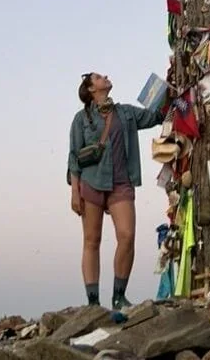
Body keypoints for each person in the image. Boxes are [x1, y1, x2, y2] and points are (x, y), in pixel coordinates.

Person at [67, 72, 164, 309]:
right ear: (91, 89)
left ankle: (119, 296)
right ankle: (93, 303)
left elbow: (156, 116)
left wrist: (167, 91)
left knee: (127, 236)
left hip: (122, 182)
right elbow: (74, 156)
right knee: (92, 240)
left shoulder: (126, 113)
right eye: (99, 77)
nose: (106, 77)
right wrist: (74, 191)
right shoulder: (81, 119)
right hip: (91, 183)